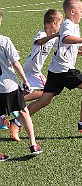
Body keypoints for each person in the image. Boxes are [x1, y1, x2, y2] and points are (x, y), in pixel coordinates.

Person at [10, 0, 82, 141]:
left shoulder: (74, 25)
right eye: (81, 11)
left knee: (44, 100)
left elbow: (75, 44)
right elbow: (66, 38)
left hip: (56, 70)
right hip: (64, 69)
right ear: (72, 11)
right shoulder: (67, 24)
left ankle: (16, 122)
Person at [0, 10, 42, 155]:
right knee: (24, 112)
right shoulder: (4, 40)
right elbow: (15, 63)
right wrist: (25, 80)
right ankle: (33, 144)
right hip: (9, 85)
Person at [23, 9, 63, 102]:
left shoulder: (53, 36)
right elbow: (39, 42)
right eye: (59, 24)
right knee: (48, 91)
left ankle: (11, 104)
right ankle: (17, 103)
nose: (60, 27)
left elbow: (60, 46)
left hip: (29, 67)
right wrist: (53, 36)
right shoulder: (42, 33)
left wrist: (79, 51)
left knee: (26, 90)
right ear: (53, 23)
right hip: (33, 68)